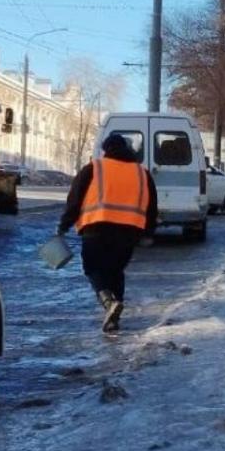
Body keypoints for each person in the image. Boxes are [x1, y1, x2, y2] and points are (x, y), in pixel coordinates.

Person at [58, 134, 158, 333]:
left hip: (96, 228)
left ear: (106, 149)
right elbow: (152, 206)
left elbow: (75, 199)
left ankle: (107, 300)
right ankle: (114, 317)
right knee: (115, 272)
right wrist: (148, 232)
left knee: (93, 268)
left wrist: (64, 224)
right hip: (129, 232)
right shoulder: (142, 173)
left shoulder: (94, 168)